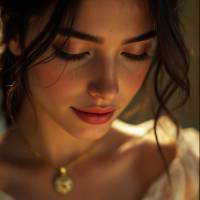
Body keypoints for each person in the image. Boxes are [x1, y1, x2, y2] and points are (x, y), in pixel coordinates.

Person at [0, 0, 199, 199]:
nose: (108, 90)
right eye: (74, 51)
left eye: (134, 53)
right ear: (13, 34)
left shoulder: (183, 171)